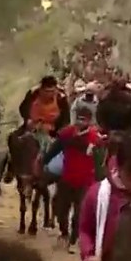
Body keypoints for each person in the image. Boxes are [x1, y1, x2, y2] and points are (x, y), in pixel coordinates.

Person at [43, 105, 102, 252]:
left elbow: (99, 160)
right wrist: (43, 162)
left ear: (89, 121)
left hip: (85, 180)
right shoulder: (67, 133)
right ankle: (63, 232)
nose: (80, 122)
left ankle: (74, 238)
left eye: (84, 119)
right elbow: (55, 149)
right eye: (79, 118)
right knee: (60, 208)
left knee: (80, 211)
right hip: (67, 177)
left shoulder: (95, 138)